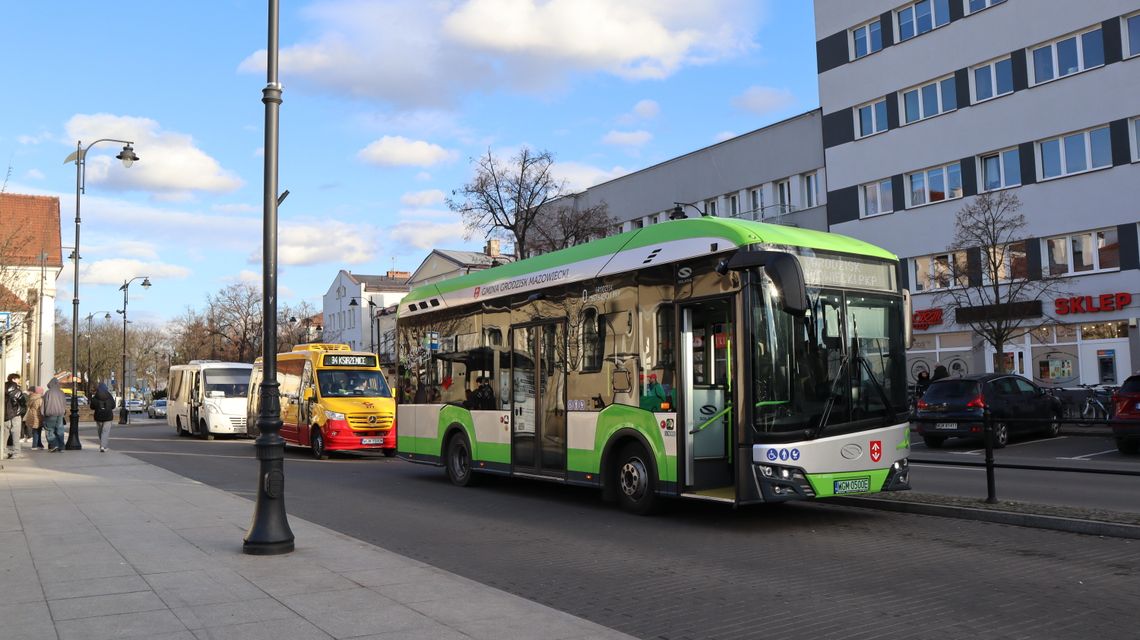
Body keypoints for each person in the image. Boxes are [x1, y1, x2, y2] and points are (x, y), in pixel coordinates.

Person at [3, 373, 26, 459]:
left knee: (4, 433)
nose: (18, 381)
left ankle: (3, 451)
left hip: (5, 415)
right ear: (13, 379)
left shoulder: (2, 388)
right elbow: (23, 403)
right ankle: (16, 452)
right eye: (17, 379)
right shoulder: (17, 391)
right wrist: (20, 413)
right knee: (16, 433)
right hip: (15, 415)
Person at [41, 379, 68, 453]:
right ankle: (61, 447)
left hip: (50, 414)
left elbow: (44, 404)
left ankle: (54, 444)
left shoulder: (48, 393)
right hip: (60, 414)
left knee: (50, 430)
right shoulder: (61, 392)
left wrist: (43, 413)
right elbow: (64, 403)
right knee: (60, 430)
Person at [90, 383, 117, 452]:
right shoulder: (109, 396)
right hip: (108, 416)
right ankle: (103, 446)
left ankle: (102, 445)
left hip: (98, 416)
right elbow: (113, 406)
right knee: (105, 432)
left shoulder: (96, 396)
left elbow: (92, 406)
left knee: (100, 431)